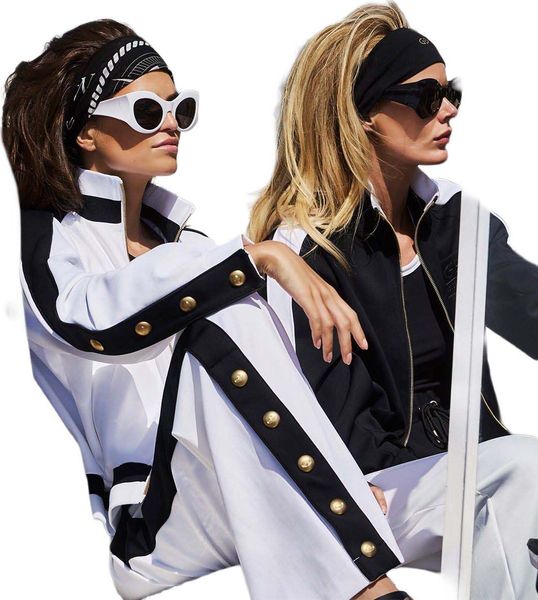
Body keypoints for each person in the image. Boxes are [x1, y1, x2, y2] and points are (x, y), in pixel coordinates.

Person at [2, 17, 420, 600]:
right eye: (147, 111)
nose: (171, 123)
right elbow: (88, 322)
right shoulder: (49, 239)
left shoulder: (191, 246)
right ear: (87, 133)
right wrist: (259, 257)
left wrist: (340, 477)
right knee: (227, 317)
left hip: (233, 488)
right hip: (154, 524)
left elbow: (282, 375)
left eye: (181, 108)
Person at [248, 2, 538, 599]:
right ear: (364, 116)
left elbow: (532, 309)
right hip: (375, 484)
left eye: (450, 93)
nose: (448, 110)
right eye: (426, 98)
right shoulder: (311, 250)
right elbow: (331, 407)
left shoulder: (456, 224)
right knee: (522, 468)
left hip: (470, 465)